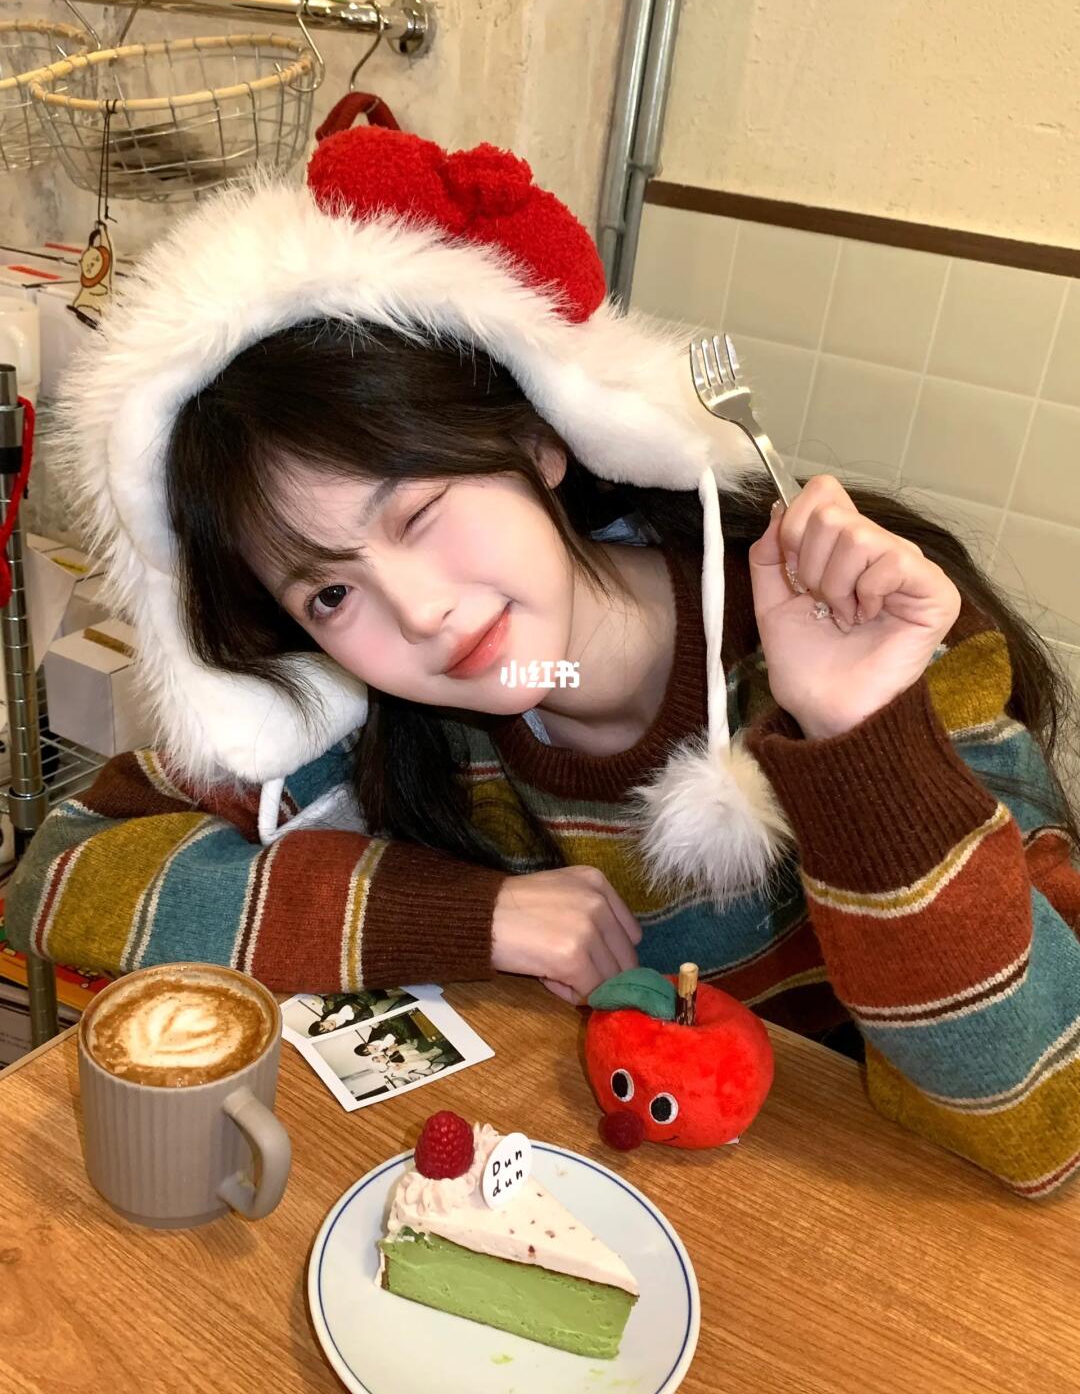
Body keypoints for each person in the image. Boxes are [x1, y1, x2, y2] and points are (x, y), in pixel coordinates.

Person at [6, 126, 1079, 1199]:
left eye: (419, 511)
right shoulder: (368, 716)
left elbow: (1042, 1121)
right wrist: (466, 915)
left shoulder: (868, 631)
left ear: (539, 442)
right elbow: (57, 875)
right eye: (328, 593)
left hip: (840, 1218)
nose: (420, 614)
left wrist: (861, 740)